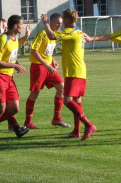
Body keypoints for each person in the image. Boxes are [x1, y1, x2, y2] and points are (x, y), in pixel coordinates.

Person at [41, 9, 97, 140]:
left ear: (66, 20)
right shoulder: (79, 31)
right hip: (79, 71)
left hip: (74, 71)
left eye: (63, 20)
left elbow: (52, 36)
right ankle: (76, 131)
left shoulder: (70, 31)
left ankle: (88, 125)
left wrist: (46, 23)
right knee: (77, 101)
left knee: (67, 101)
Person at [0, 15, 31, 144]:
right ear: (15, 26)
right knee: (0, 109)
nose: (22, 27)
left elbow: (16, 44)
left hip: (9, 78)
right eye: (21, 25)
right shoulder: (3, 39)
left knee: (15, 108)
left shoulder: (14, 39)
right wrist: (15, 65)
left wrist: (26, 36)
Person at [24, 13, 70, 129]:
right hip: (39, 67)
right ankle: (28, 122)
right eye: (57, 23)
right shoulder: (42, 33)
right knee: (35, 93)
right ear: (51, 23)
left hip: (49, 66)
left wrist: (53, 60)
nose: (60, 25)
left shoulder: (53, 35)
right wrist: (46, 64)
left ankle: (57, 118)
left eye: (61, 23)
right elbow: (34, 51)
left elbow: (45, 51)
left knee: (62, 87)